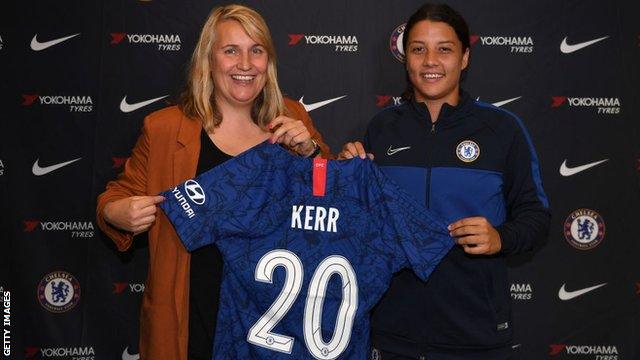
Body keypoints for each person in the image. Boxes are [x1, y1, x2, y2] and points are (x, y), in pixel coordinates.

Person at [96, 5, 330, 360]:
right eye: (231, 50)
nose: (245, 64)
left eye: (257, 50)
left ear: (269, 61)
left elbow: (330, 202)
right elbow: (115, 198)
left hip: (273, 324)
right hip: (192, 321)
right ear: (208, 59)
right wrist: (117, 212)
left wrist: (311, 152)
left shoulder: (292, 117)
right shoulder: (164, 128)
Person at [339, 3, 550, 359]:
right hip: (392, 331)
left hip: (476, 332)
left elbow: (536, 217)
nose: (430, 61)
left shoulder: (501, 129)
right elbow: (360, 225)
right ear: (405, 58)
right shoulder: (381, 127)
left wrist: (500, 237)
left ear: (464, 57)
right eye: (419, 49)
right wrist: (348, 178)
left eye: (444, 49)